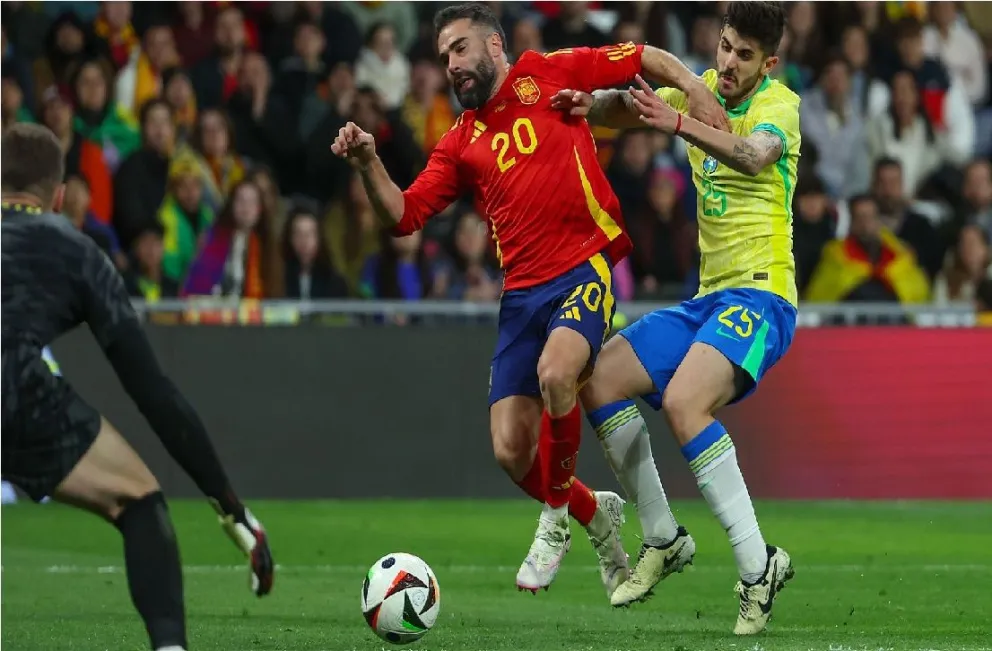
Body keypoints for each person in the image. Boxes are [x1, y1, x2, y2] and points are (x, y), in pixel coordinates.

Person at [331, 2, 730, 597]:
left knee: (557, 372)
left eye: (460, 49)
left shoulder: (549, 72)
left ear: (494, 46)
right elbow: (404, 214)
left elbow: (640, 57)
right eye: (444, 57)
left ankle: (554, 522)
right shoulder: (460, 142)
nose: (452, 66)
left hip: (583, 269)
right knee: (509, 449)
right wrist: (368, 161)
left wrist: (694, 88)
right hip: (521, 295)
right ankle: (597, 515)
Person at [554, 0, 798, 635]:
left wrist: (676, 123)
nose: (728, 63)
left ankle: (756, 569)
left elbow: (751, 156)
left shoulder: (780, 107)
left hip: (762, 297)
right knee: (597, 376)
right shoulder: (693, 88)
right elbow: (621, 108)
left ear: (767, 62)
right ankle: (662, 538)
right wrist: (589, 109)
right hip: (707, 299)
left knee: (688, 402)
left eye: (745, 55)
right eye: (724, 46)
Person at [1, 123, 275, 651]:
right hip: (17, 390)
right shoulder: (75, 251)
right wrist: (229, 505)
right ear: (59, 196)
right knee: (141, 499)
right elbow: (153, 393)